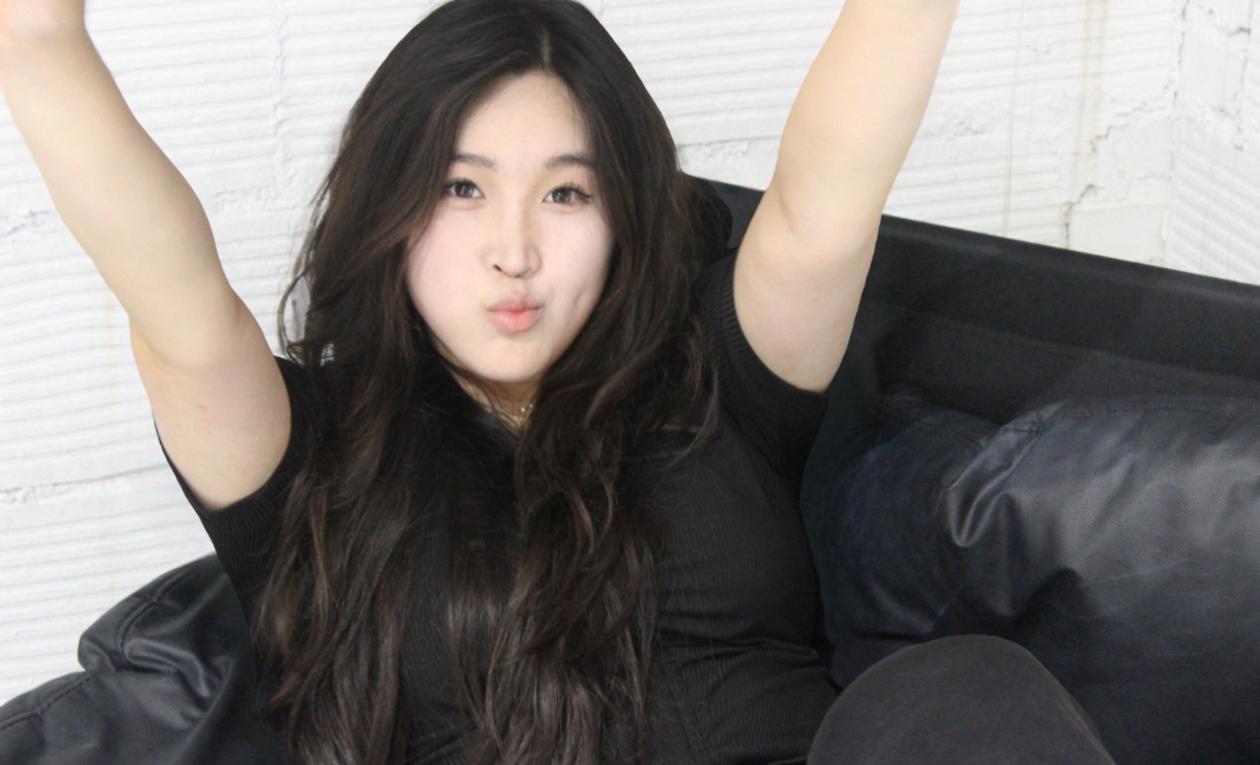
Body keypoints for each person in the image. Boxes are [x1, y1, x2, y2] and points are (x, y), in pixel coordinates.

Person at [0, 0, 1117, 763]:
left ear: (624, 215)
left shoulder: (717, 375)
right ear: (390, 210)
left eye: (566, 194)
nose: (515, 252)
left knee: (961, 689)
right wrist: (38, 35)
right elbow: (180, 305)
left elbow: (826, 200)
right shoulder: (311, 460)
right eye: (463, 189)